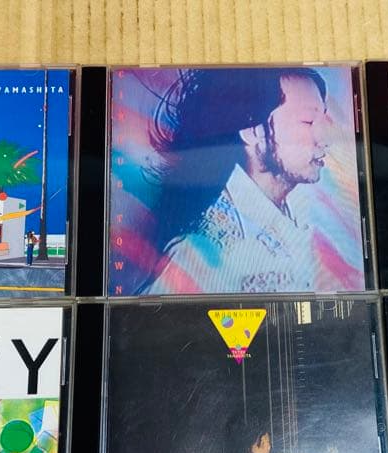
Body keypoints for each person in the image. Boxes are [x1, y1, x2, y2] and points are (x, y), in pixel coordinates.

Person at [138, 68, 339, 294]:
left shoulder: (292, 225)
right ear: (252, 132)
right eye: (308, 121)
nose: (325, 138)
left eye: (323, 119)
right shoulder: (202, 251)